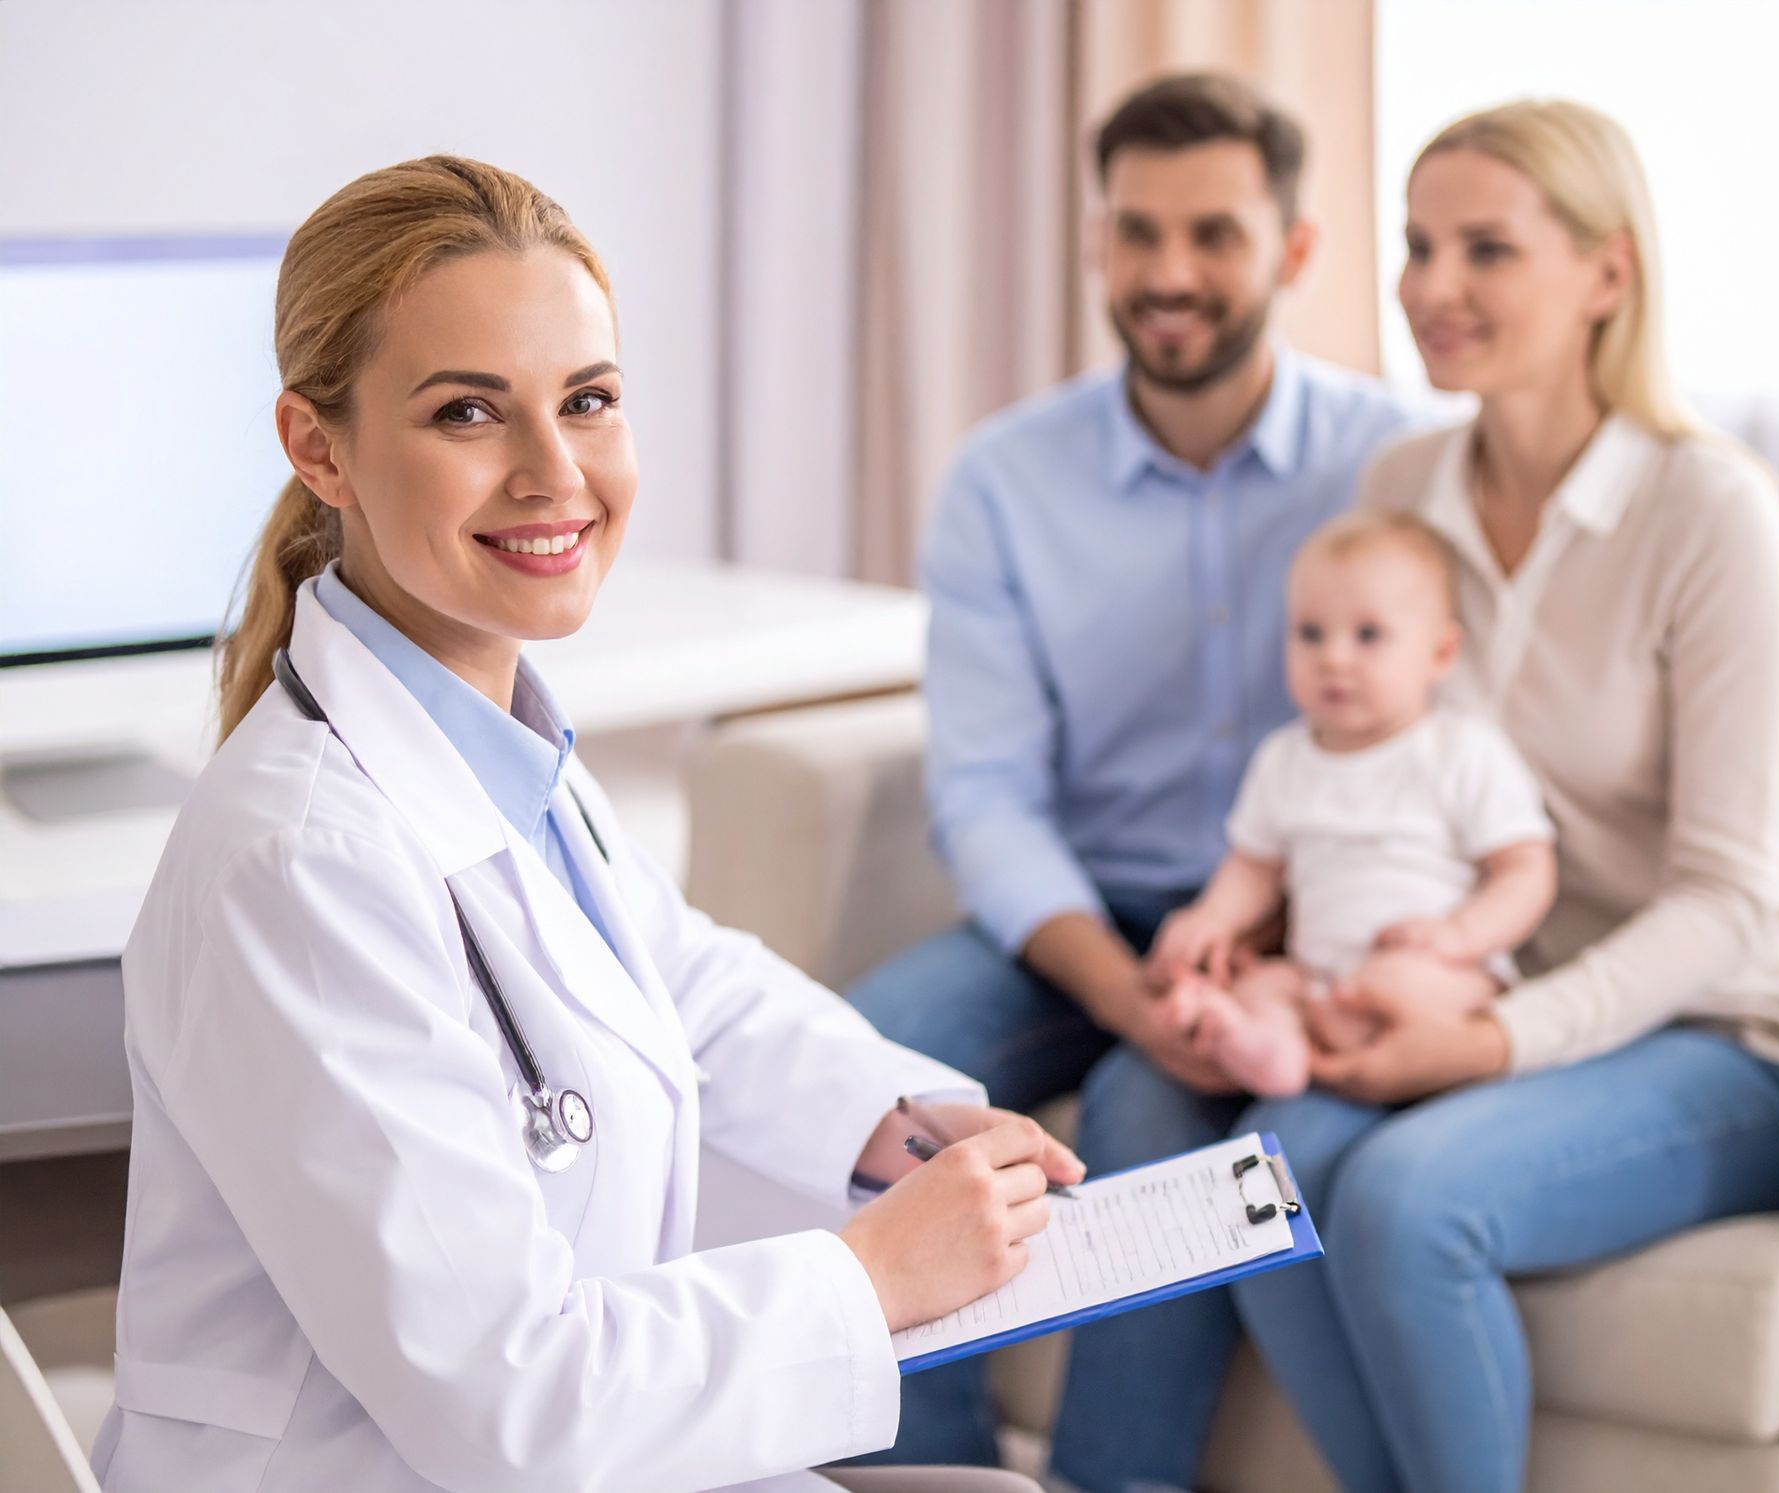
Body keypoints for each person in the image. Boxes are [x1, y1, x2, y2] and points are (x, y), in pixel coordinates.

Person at [92, 155, 1078, 1493]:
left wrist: (889, 1118)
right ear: (320, 448)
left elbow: (681, 988)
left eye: (589, 401)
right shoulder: (301, 863)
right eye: (468, 414)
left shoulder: (498, 742)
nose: (555, 472)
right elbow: (517, 1409)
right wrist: (870, 1278)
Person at [1046, 98, 1779, 1493]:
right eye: (1418, 245)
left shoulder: (1711, 516)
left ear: (1608, 274)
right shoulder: (1407, 487)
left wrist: (1488, 1041)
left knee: (1410, 1202)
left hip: (1719, 1032)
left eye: (1487, 249)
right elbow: (1362, 769)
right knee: (1258, 1183)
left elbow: (1723, 898)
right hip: (1462, 987)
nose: (1432, 287)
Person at [844, 71, 1416, 1469]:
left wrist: (1251, 947)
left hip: (1289, 918)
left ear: (1290, 251)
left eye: (1213, 234)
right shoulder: (1003, 478)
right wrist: (1118, 980)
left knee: (1149, 1110)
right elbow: (984, 793)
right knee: (869, 1076)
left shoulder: (1392, 466)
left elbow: (1431, 746)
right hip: (1072, 919)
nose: (1169, 274)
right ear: (1098, 242)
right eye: (1136, 232)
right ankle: (935, 1472)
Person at [1150, 511, 1556, 1097]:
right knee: (1265, 987)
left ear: (1440, 654)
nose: (1333, 658)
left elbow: (1526, 870)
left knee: (1403, 980)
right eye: (1310, 634)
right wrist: (1213, 917)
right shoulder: (1285, 759)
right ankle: (1265, 1048)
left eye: (1368, 636)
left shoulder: (1461, 751)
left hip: (1441, 971)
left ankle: (1313, 1035)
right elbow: (1255, 866)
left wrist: (1461, 935)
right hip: (1320, 973)